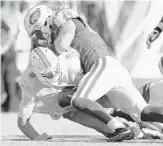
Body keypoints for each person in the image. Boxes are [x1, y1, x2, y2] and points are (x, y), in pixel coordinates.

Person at [24, 4, 163, 130]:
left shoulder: (65, 19)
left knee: (79, 100)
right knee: (145, 113)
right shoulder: (61, 32)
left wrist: (42, 59)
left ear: (46, 21)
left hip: (102, 65)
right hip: (109, 71)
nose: (39, 39)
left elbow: (61, 45)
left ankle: (117, 127)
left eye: (38, 33)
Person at [18, 47, 133, 141]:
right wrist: (37, 137)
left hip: (82, 98)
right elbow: (22, 121)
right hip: (68, 108)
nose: (54, 74)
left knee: (75, 97)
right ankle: (128, 124)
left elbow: (96, 88)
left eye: (55, 69)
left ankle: (122, 110)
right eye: (48, 74)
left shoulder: (70, 63)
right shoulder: (30, 83)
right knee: (116, 132)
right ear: (35, 73)